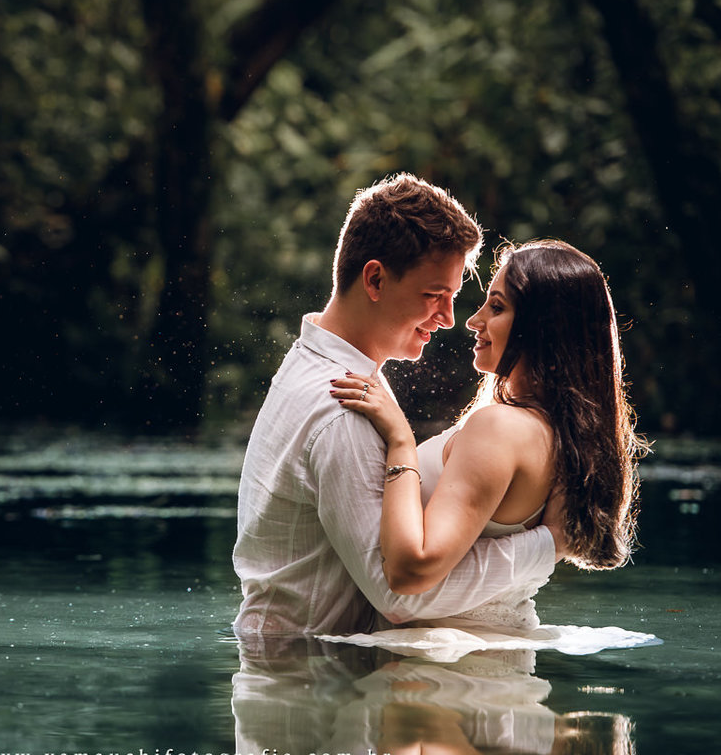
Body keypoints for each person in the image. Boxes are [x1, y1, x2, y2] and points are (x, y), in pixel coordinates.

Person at [232, 173, 564, 639]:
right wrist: (551, 544)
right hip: (307, 681)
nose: (449, 319)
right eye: (435, 296)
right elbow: (402, 596)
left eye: (453, 297)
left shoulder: (311, 361)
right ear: (375, 279)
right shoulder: (342, 410)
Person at [330, 239, 647, 632]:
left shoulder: (499, 428)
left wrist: (401, 443)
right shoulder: (558, 435)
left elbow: (412, 573)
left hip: (443, 679)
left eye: (497, 307)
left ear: (542, 328)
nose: (473, 320)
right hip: (484, 673)